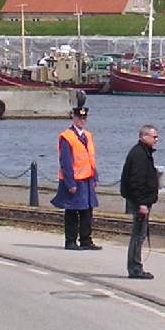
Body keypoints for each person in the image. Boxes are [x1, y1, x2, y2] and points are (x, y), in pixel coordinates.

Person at [51, 100, 100, 251]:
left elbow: (90, 157)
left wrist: (95, 176)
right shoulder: (66, 137)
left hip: (87, 178)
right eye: (79, 118)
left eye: (84, 118)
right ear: (74, 118)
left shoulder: (88, 135)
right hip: (74, 179)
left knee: (87, 210)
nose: (82, 121)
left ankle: (86, 240)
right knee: (72, 210)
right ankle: (70, 241)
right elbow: (65, 161)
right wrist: (70, 183)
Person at [119, 124, 159, 280]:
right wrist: (142, 203)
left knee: (139, 234)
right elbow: (136, 181)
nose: (156, 140)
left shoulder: (144, 153)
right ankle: (135, 268)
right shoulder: (139, 155)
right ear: (144, 136)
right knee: (138, 235)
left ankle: (135, 266)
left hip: (142, 200)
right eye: (154, 137)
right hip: (139, 202)